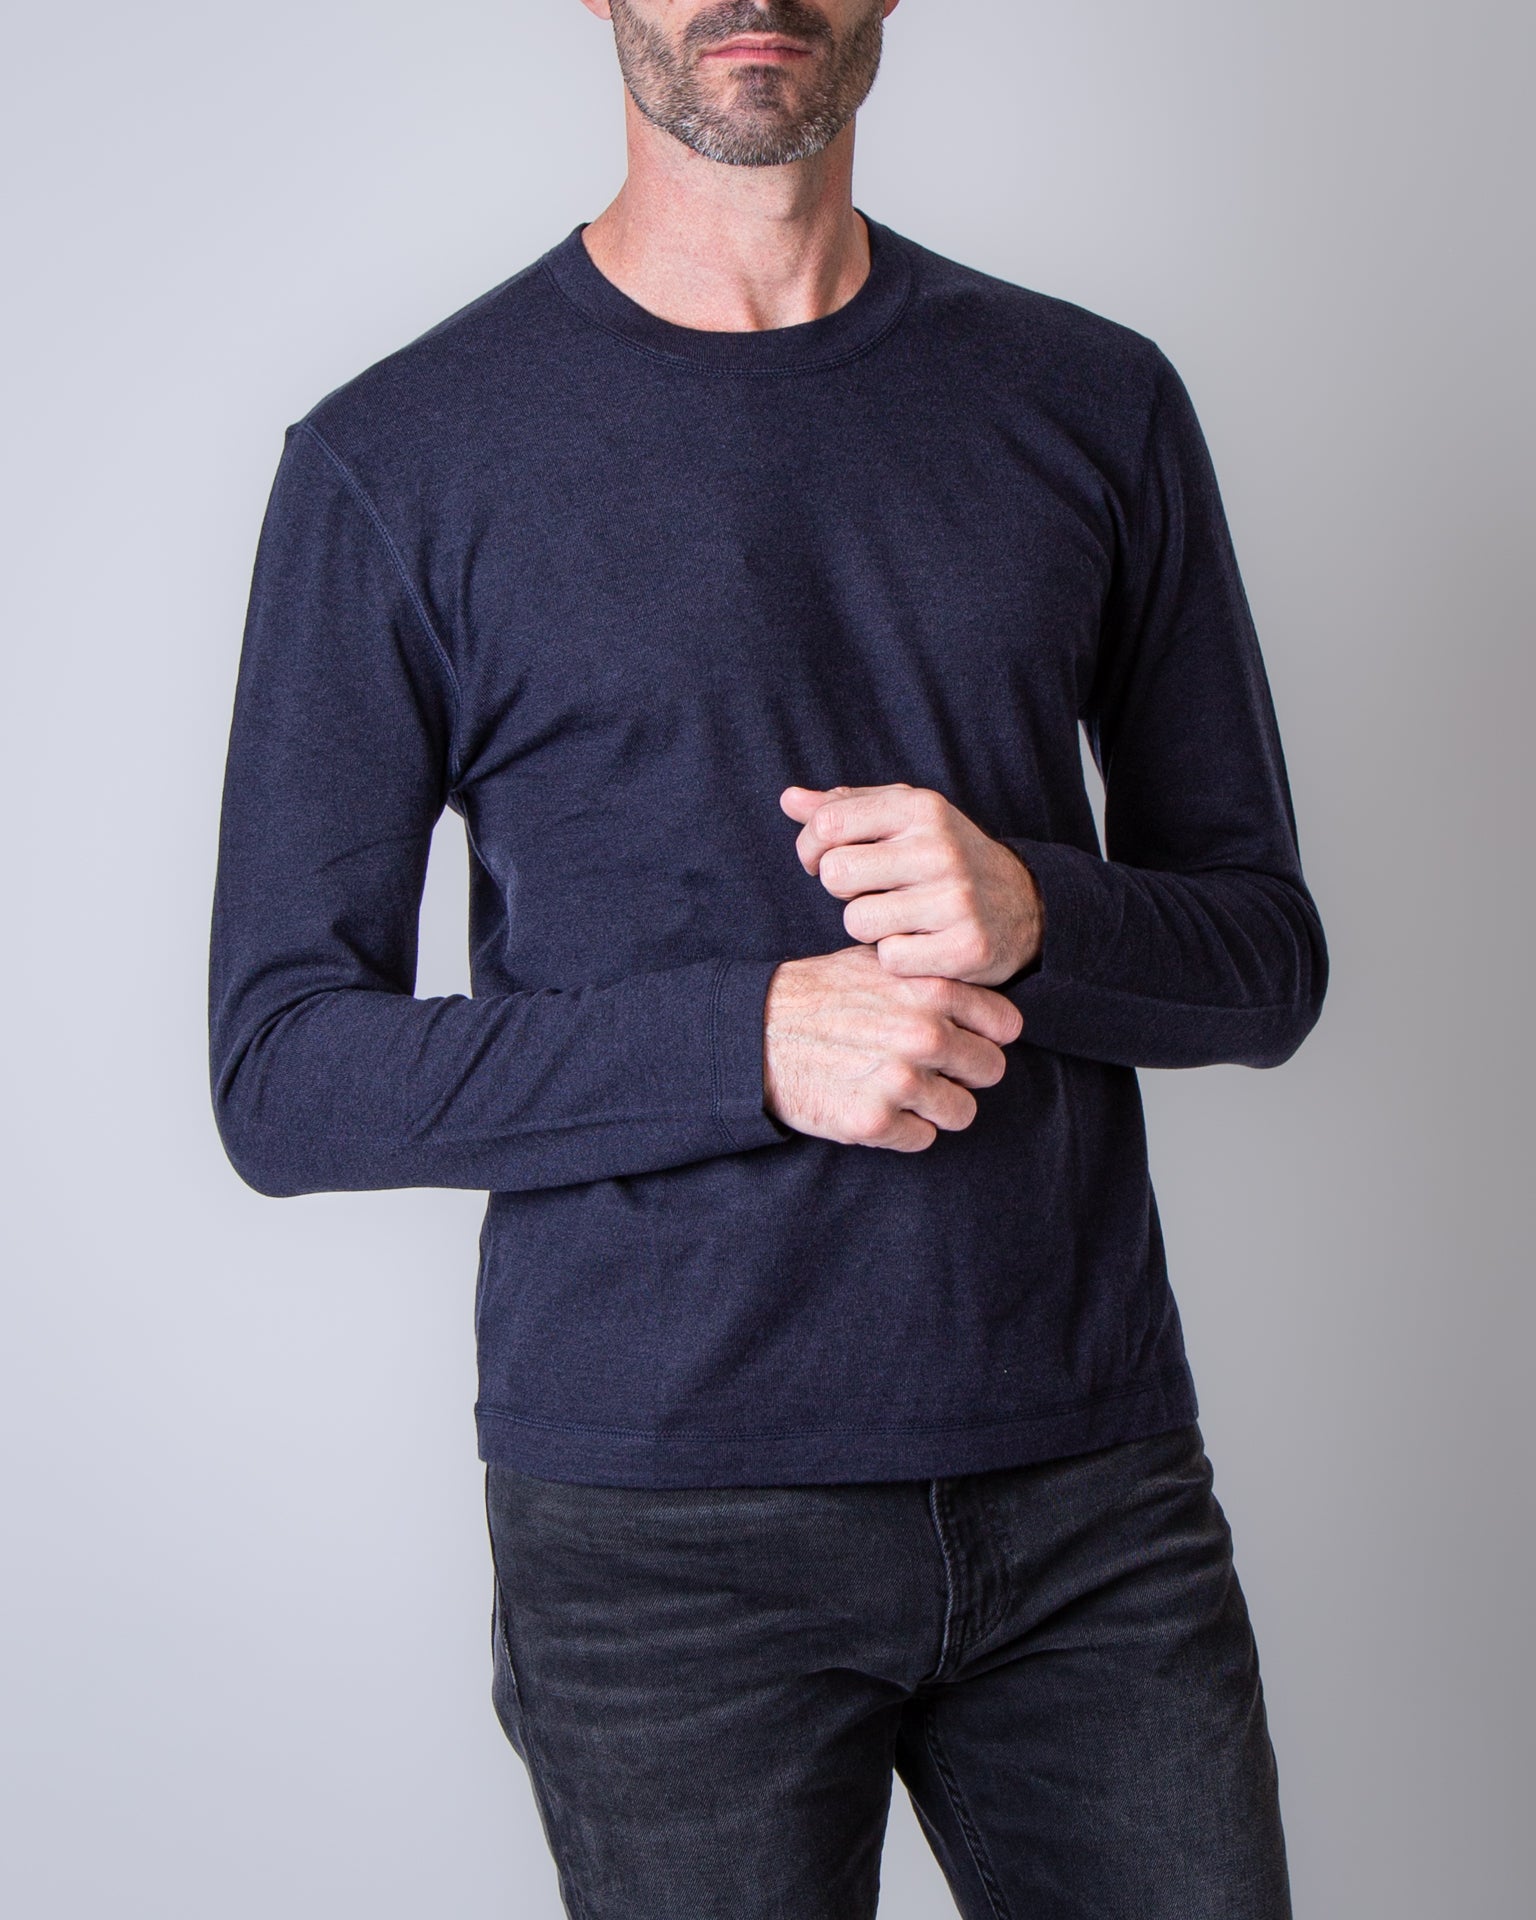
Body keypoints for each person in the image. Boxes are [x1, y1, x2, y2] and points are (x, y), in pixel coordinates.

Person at [209, 2, 1328, 1913]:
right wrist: (746, 1039)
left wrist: (1039, 910)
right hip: (661, 1537)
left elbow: (1267, 963)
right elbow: (282, 1074)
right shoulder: (395, 458)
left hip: (1091, 1489)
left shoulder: (1096, 399)